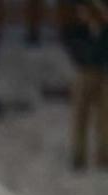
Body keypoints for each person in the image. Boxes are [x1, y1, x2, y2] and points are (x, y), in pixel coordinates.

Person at [60, 0, 108, 170]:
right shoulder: (75, 27)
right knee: (81, 113)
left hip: (103, 70)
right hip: (85, 71)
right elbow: (72, 44)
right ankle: (78, 154)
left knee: (105, 116)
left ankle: (103, 154)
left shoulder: (102, 25)